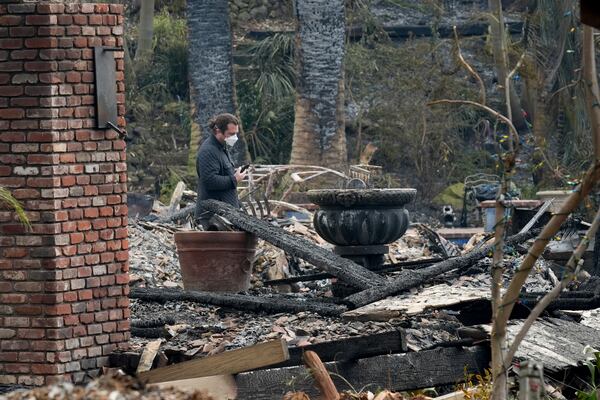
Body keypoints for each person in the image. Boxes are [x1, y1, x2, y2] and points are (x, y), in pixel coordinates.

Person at [195, 113, 247, 228]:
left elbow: (221, 172)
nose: (235, 137)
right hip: (212, 220)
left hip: (224, 217)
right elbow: (210, 181)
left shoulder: (222, 147)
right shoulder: (208, 151)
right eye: (231, 134)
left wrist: (233, 173)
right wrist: (234, 179)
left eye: (236, 134)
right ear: (218, 131)